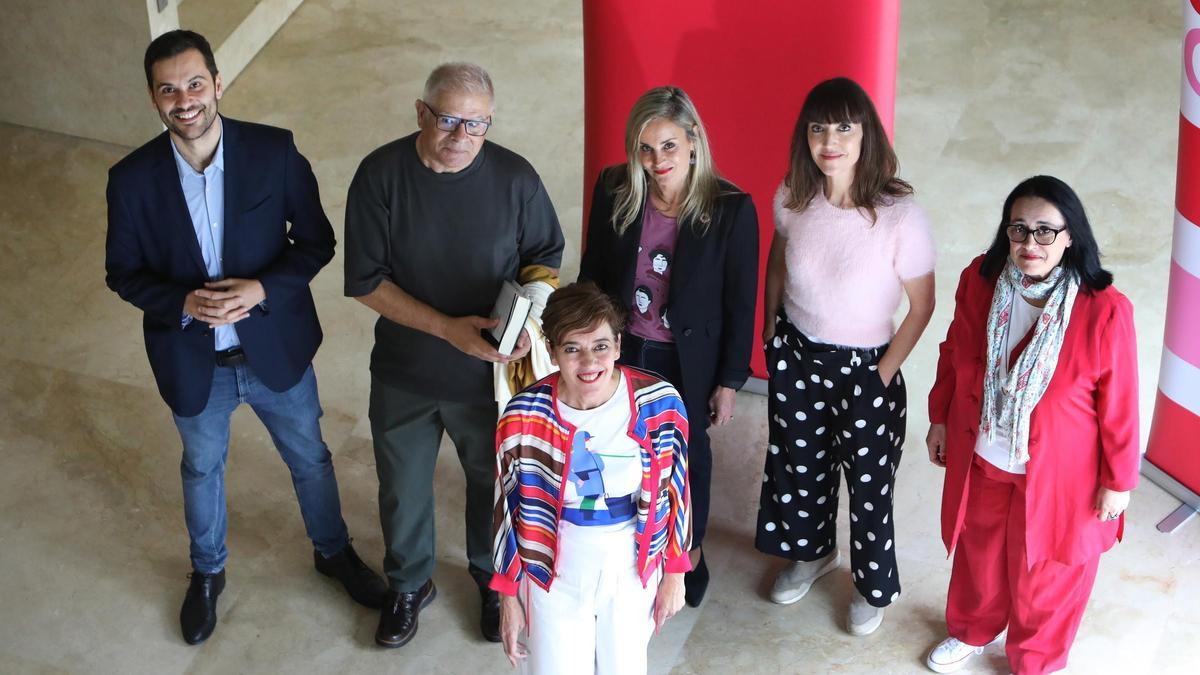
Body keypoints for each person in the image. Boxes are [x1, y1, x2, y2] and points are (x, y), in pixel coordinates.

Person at [104, 30, 386, 646]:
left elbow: (316, 241)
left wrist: (263, 289)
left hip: (274, 349)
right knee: (201, 469)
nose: (185, 100)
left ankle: (332, 552)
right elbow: (121, 272)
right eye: (169, 89)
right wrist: (180, 300)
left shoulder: (273, 151)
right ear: (153, 98)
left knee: (310, 457)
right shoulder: (130, 179)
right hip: (192, 359)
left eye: (195, 83)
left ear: (218, 83)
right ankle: (207, 573)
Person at [343, 62, 565, 649]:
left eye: (478, 124)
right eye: (448, 120)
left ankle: (492, 582)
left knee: (489, 482)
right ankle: (409, 584)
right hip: (405, 371)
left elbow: (543, 255)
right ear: (421, 113)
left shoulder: (516, 178)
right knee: (403, 485)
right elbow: (365, 281)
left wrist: (531, 314)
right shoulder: (379, 176)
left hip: (489, 379)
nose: (462, 136)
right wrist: (447, 330)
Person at [923, 176, 1139, 675]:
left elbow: (1122, 403)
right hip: (986, 454)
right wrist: (940, 416)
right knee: (979, 554)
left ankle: (1036, 662)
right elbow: (955, 352)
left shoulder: (1105, 310)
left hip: (1064, 473)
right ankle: (972, 630)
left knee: (1047, 571)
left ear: (1070, 238)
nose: (1029, 244)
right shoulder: (980, 280)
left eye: (1046, 231)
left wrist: (1118, 482)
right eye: (1018, 230)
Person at [755, 77, 936, 635]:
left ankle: (872, 587)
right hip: (799, 356)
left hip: (867, 367)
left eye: (843, 127)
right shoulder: (792, 196)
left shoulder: (900, 216)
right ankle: (811, 555)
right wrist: (769, 333)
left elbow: (923, 306)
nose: (828, 140)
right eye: (817, 127)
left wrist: (880, 378)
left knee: (868, 486)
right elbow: (778, 261)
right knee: (798, 469)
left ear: (866, 135)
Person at [579, 86, 759, 607]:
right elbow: (593, 273)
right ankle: (631, 544)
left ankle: (688, 553)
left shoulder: (730, 209)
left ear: (694, 142)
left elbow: (739, 304)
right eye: (645, 148)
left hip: (686, 359)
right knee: (622, 446)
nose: (657, 161)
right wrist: (586, 345)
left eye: (669, 146)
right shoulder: (615, 187)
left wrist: (729, 381)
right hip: (625, 347)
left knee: (686, 456)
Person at [491, 282, 691, 674]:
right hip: (553, 567)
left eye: (600, 346)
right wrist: (508, 598)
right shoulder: (523, 417)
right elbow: (505, 508)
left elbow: (678, 489)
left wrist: (675, 573)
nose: (589, 362)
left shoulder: (659, 403)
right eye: (571, 349)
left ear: (618, 345)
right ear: (551, 352)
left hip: (631, 563)